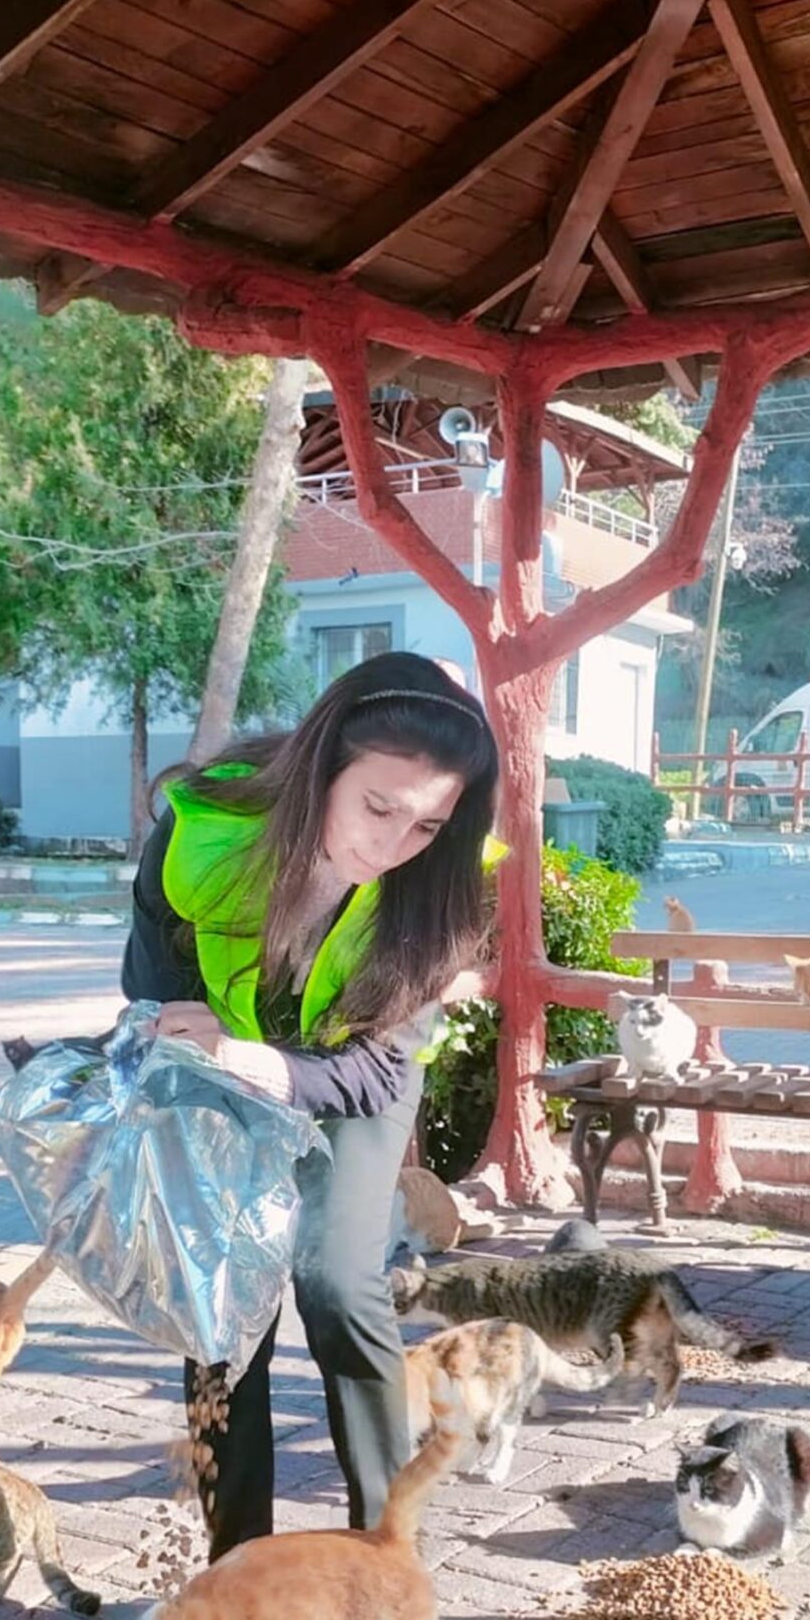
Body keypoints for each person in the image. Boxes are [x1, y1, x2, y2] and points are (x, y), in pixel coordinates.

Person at [121, 653, 499, 1555]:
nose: (393, 842)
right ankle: (239, 1561)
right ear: (324, 765)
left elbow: (373, 1075)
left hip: (353, 1076)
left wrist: (265, 1063)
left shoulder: (434, 890)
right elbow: (151, 984)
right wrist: (204, 1047)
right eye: (378, 807)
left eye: (426, 824)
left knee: (336, 1281)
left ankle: (384, 1551)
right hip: (220, 1068)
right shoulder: (203, 830)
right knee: (221, 1293)